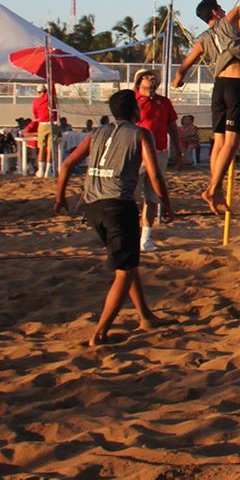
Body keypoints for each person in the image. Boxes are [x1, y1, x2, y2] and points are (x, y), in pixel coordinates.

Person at [53, 88, 172, 348]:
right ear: (135, 111)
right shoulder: (141, 133)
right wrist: (168, 204)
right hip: (118, 206)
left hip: (92, 206)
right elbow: (154, 176)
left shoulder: (96, 132)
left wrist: (60, 197)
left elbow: (66, 165)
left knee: (127, 264)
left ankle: (145, 316)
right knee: (124, 270)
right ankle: (100, 333)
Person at [173, 0, 240, 215]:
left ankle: (215, 190)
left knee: (219, 143)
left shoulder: (203, 38)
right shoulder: (229, 22)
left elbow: (185, 65)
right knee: (232, 142)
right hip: (236, 86)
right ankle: (213, 188)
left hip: (218, 89)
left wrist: (177, 80)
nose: (226, 9)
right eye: (221, 7)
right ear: (216, 11)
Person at [131, 69, 180, 251]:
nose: (151, 78)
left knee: (153, 197)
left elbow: (172, 127)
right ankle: (131, 235)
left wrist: (178, 151)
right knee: (131, 197)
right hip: (136, 153)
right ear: (138, 81)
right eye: (146, 76)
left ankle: (146, 237)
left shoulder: (164, 102)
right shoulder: (133, 100)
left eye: (153, 76)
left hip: (159, 152)